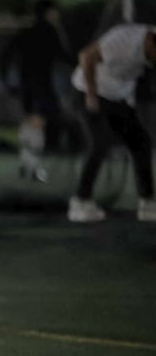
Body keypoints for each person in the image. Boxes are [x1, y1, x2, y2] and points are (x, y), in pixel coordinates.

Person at [67, 23, 156, 222]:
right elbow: (86, 57)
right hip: (87, 92)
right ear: (150, 42)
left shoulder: (149, 50)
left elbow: (129, 77)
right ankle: (80, 202)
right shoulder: (124, 40)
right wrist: (91, 95)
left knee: (141, 142)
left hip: (117, 98)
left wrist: (128, 104)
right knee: (100, 143)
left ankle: (148, 203)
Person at [0, 0, 73, 182]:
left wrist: (6, 80)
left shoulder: (26, 32)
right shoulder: (50, 32)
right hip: (41, 86)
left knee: (29, 124)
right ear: (49, 12)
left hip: (25, 86)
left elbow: (6, 56)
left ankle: (26, 163)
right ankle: (33, 167)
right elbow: (64, 56)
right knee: (38, 125)